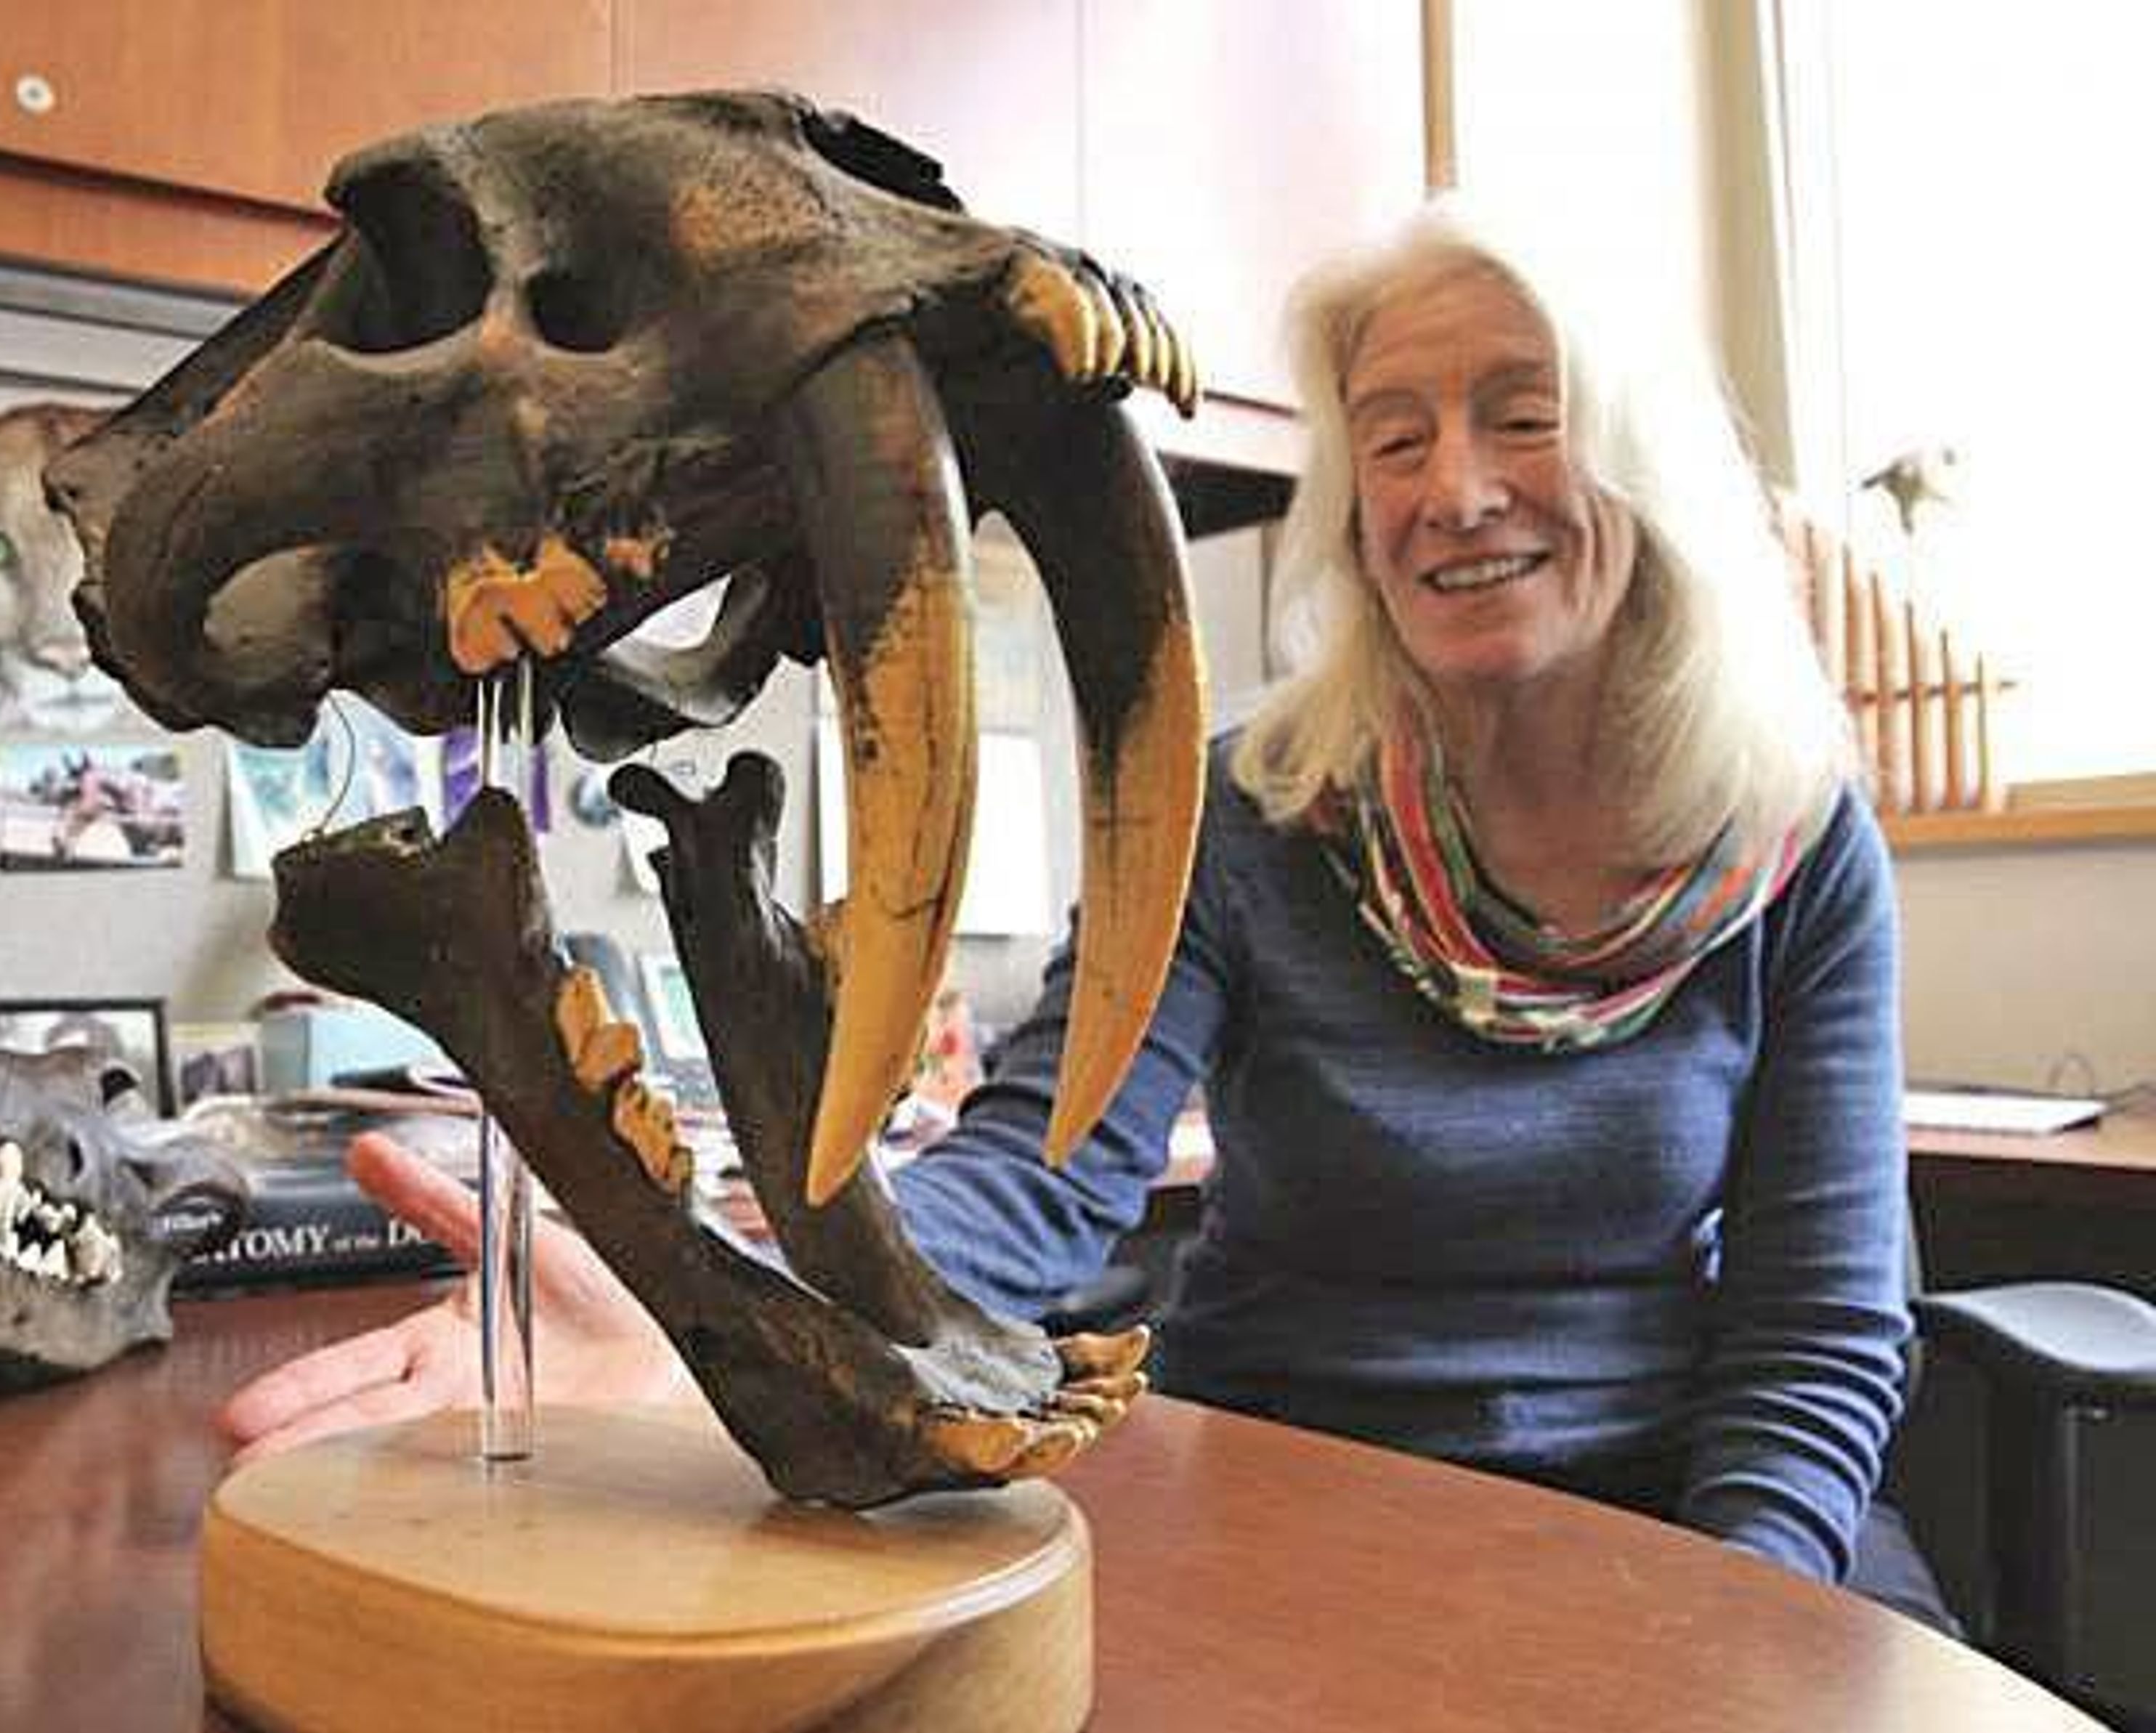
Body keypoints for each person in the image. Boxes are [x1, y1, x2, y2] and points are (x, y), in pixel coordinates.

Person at [219, 197, 1950, 1626]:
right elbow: (1041, 1174)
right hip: (1302, 1502)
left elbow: (1818, 1326)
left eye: (1521, 411)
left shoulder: (1794, 838)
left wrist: (1734, 1617)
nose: (1451, 489)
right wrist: (715, 1312)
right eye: (1395, 436)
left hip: (1667, 1536)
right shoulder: (1255, 805)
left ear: (1639, 461)